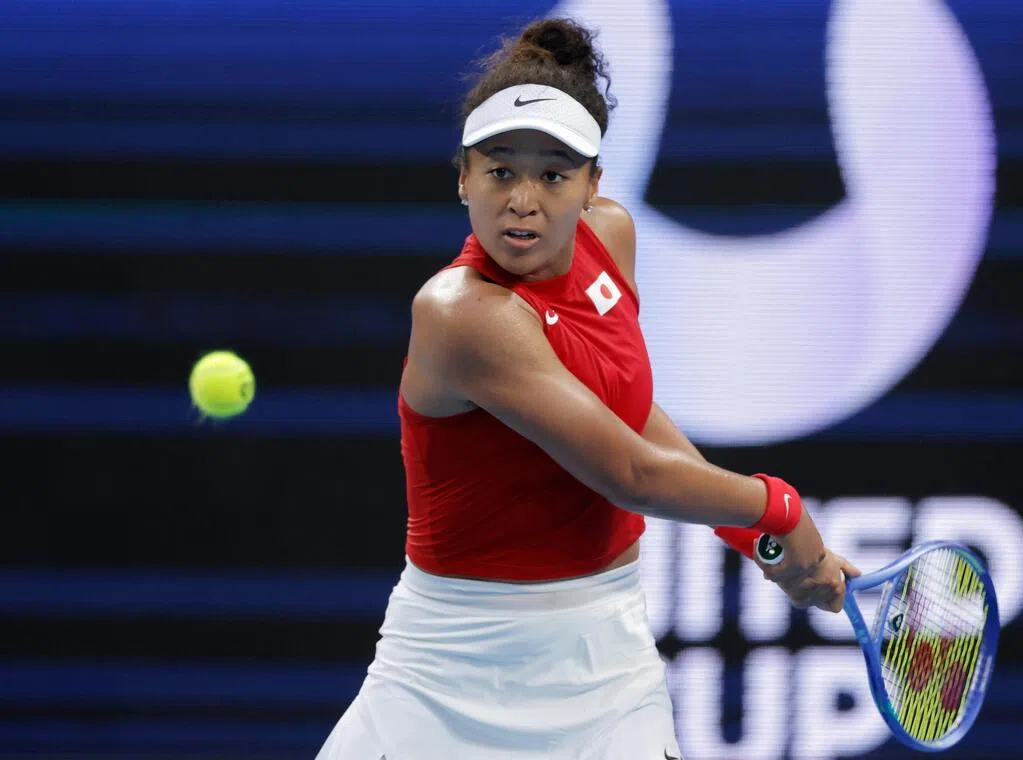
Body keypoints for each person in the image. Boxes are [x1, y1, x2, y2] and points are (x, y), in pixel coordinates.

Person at [316, 17, 858, 760]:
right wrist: (778, 507)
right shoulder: (461, 314)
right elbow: (627, 472)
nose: (523, 199)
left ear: (593, 184)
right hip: (448, 673)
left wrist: (751, 535)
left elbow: (625, 418)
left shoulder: (612, 238)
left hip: (607, 660)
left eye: (554, 173)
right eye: (500, 170)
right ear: (463, 177)